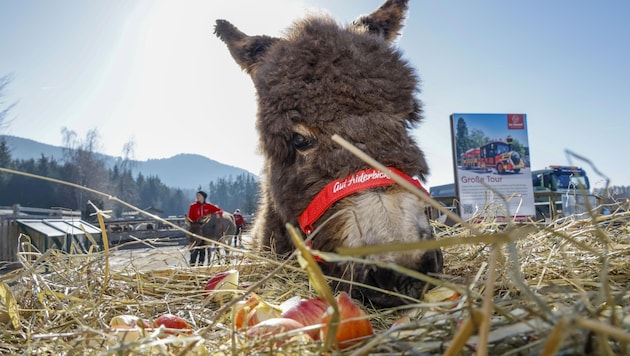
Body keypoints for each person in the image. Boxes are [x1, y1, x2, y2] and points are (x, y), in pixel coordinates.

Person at [186, 191, 222, 266]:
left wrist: (218, 214)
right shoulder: (193, 206)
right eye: (196, 196)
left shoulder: (208, 206)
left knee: (203, 250)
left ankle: (200, 266)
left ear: (203, 197)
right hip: (196, 230)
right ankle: (192, 265)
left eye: (199, 195)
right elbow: (190, 218)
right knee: (194, 249)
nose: (197, 197)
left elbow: (219, 210)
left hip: (205, 231)